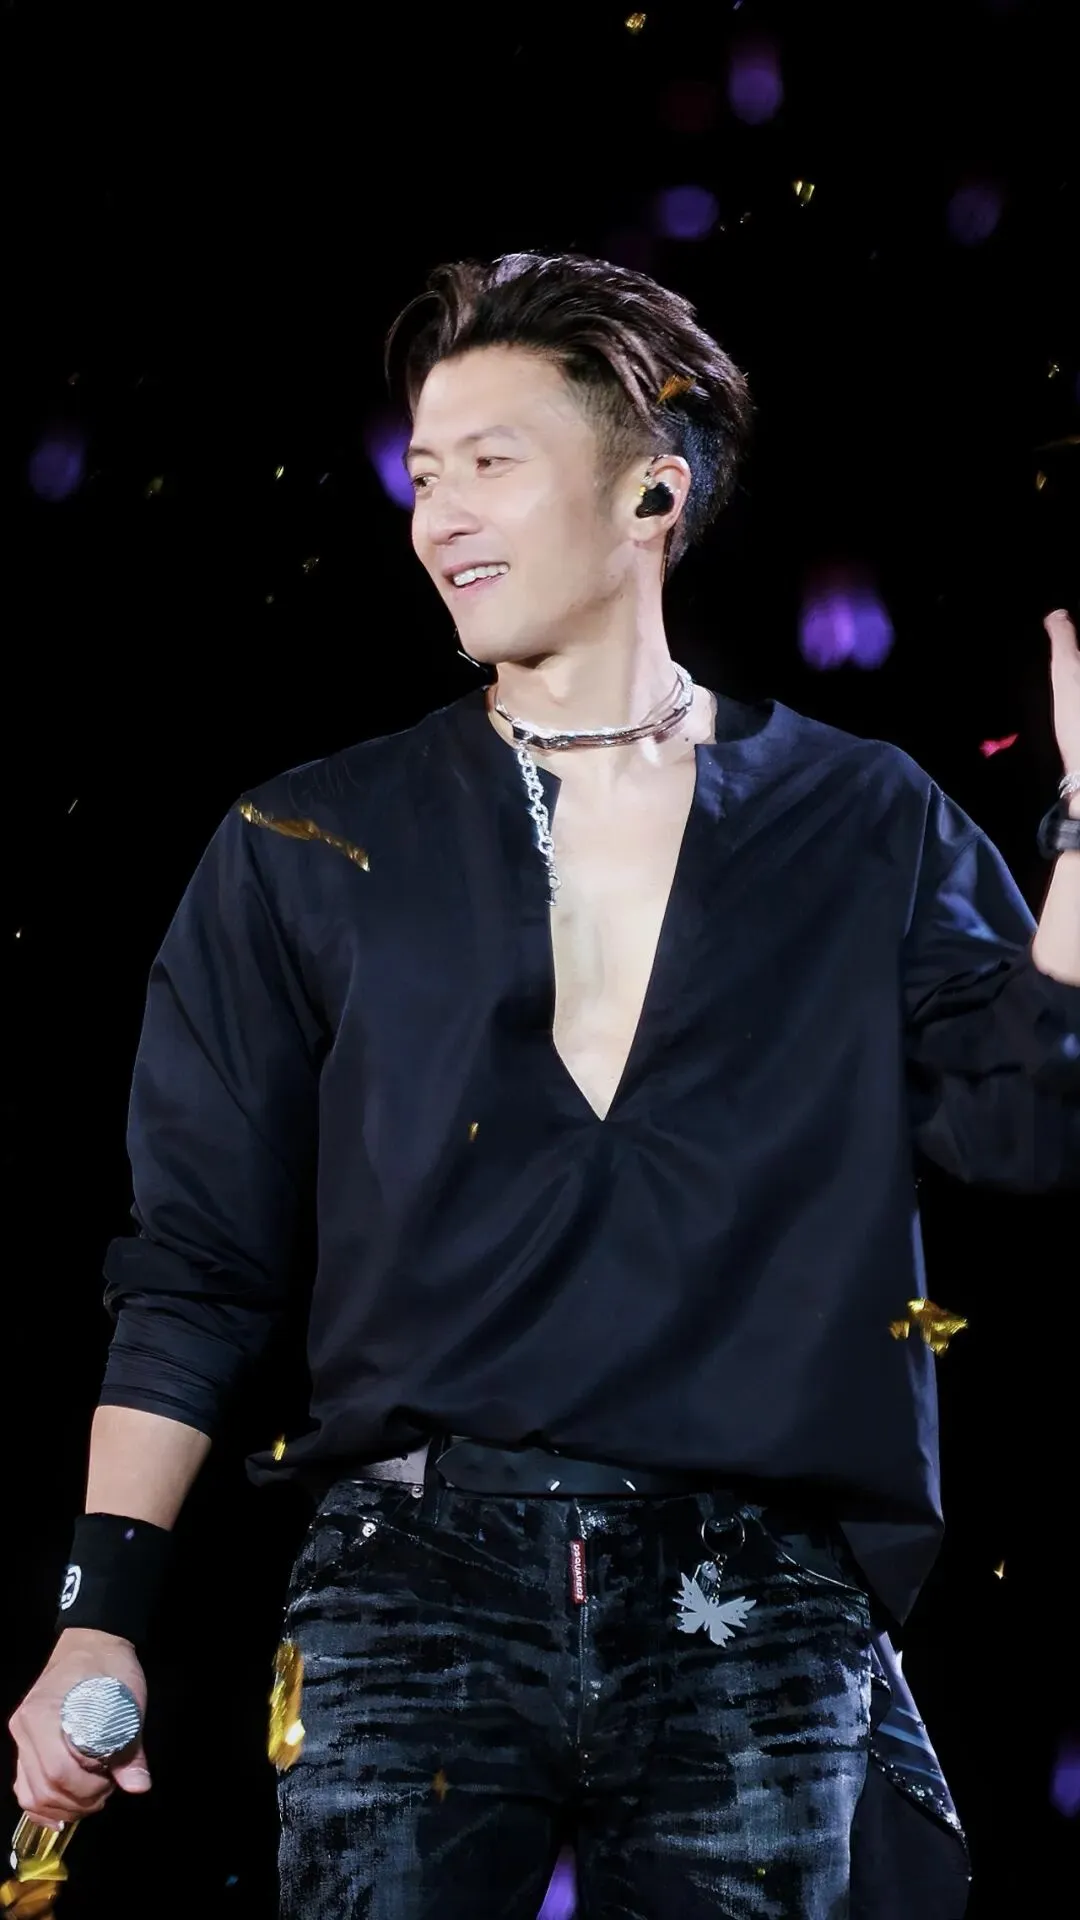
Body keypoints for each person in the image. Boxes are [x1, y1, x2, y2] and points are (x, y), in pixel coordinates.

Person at [9, 251, 1080, 1920]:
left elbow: (1027, 1126)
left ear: (652, 489)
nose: (439, 517)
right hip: (408, 1586)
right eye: (424, 475)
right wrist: (101, 1609)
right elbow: (195, 1264)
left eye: (490, 463)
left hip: (755, 1592)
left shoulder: (866, 819)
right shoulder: (306, 841)